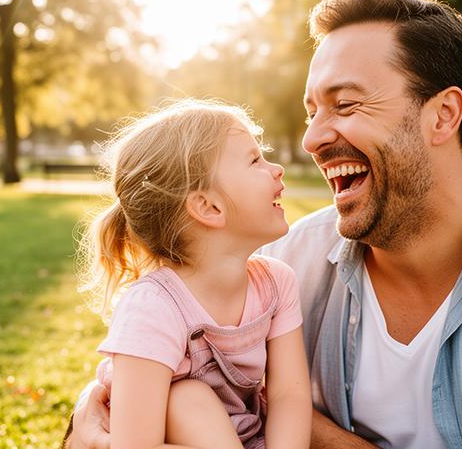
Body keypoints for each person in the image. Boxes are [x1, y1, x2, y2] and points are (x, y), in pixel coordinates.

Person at [68, 0, 462, 448]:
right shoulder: (281, 262)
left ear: (443, 115)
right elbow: (147, 392)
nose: (314, 138)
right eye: (312, 110)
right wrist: (87, 427)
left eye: (345, 105)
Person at [73, 100, 311, 448]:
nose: (276, 169)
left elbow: (289, 395)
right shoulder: (153, 307)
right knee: (187, 398)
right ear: (208, 207)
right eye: (255, 160)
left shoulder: (276, 282)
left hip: (246, 437)